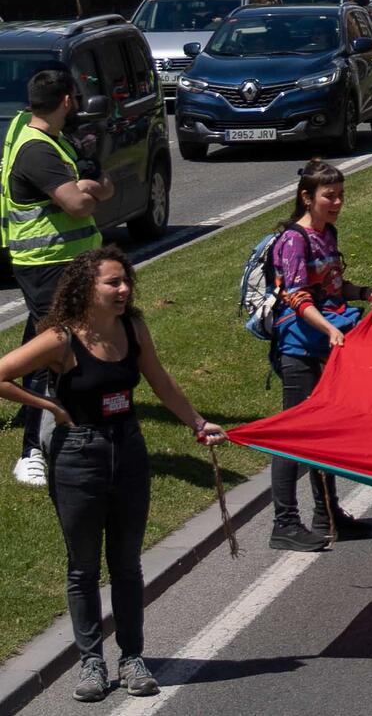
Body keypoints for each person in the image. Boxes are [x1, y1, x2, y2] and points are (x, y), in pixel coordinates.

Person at [0, 247, 225, 702]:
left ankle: (132, 658)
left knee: (126, 564)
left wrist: (198, 423)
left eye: (126, 281)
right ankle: (90, 664)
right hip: (77, 455)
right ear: (88, 287)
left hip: (128, 449)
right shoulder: (62, 339)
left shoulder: (133, 327)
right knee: (83, 568)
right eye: (113, 283)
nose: (123, 290)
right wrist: (49, 407)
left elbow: (161, 381)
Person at [266, 160, 372, 551]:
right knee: (293, 437)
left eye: (340, 196)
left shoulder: (326, 234)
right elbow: (298, 297)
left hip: (326, 346)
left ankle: (327, 514)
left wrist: (364, 292)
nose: (336, 202)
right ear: (307, 197)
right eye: (328, 196)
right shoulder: (292, 241)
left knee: (326, 433)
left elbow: (331, 286)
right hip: (300, 349)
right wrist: (331, 328)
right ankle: (284, 522)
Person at [4, 71, 112, 488]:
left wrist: (92, 187)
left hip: (69, 262)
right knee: (50, 352)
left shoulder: (49, 138)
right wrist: (89, 190)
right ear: (67, 101)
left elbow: (102, 186)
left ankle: (70, 430)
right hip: (47, 265)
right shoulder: (37, 150)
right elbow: (79, 203)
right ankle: (32, 451)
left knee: (47, 348)